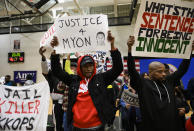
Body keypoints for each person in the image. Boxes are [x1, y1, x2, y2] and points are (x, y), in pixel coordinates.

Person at [50, 31, 123, 131]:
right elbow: (57, 71)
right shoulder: (73, 81)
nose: (89, 68)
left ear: (94, 66)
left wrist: (112, 46)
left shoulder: (100, 79)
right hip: (76, 127)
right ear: (80, 68)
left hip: (98, 127)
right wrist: (55, 50)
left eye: (90, 65)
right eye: (85, 66)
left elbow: (118, 68)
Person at [127, 36, 194, 131]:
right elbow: (132, 70)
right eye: (159, 71)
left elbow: (182, 70)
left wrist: (189, 52)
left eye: (164, 71)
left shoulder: (169, 81)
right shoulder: (143, 84)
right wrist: (130, 50)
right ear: (151, 72)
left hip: (172, 127)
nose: (163, 74)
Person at [39, 47, 64, 131]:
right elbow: (45, 69)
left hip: (64, 104)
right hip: (53, 104)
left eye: (58, 64)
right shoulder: (50, 74)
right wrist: (43, 57)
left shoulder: (64, 75)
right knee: (54, 124)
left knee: (62, 123)